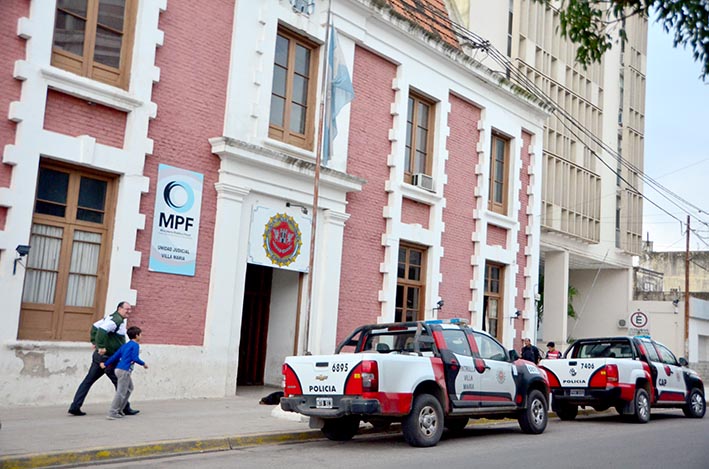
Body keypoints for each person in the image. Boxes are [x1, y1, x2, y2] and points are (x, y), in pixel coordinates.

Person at [68, 301, 139, 416]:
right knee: (121, 382)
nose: (129, 312)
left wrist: (94, 341)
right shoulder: (116, 320)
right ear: (119, 308)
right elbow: (101, 330)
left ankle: (75, 406)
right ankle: (124, 408)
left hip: (99, 358)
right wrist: (100, 345)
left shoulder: (111, 317)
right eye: (127, 309)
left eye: (130, 309)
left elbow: (95, 326)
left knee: (88, 381)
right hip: (108, 359)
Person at [102, 326, 148, 420]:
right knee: (121, 392)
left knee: (129, 388)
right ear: (136, 335)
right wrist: (143, 364)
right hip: (124, 370)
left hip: (118, 369)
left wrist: (106, 364)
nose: (141, 336)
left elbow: (115, 355)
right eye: (140, 334)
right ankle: (113, 412)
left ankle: (120, 410)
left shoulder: (126, 345)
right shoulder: (135, 345)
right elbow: (134, 358)